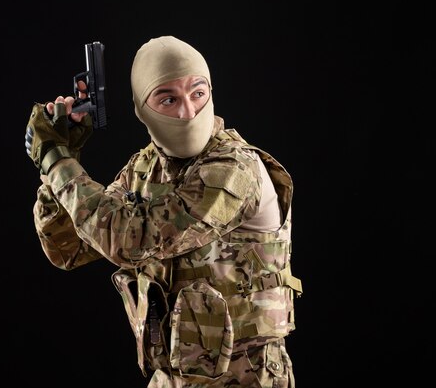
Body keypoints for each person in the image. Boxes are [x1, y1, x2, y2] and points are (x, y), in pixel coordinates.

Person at [25, 35, 303, 388]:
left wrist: (56, 159)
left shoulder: (235, 168)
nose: (188, 111)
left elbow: (129, 242)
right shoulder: (144, 168)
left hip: (246, 375)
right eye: (168, 98)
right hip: (172, 378)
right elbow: (68, 248)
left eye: (198, 93)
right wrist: (63, 160)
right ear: (142, 108)